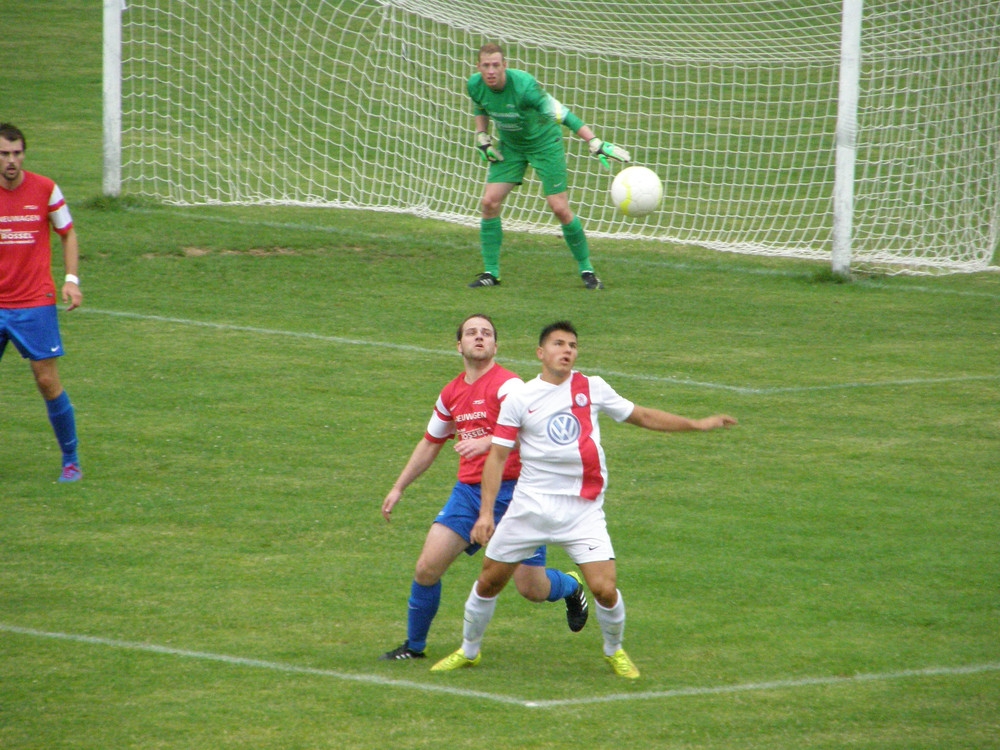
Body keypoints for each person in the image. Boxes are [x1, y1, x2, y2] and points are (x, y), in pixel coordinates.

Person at [431, 321, 738, 678]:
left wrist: (696, 424)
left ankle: (614, 650)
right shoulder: (520, 398)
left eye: (573, 345)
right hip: (530, 507)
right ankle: (469, 651)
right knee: (489, 582)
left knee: (605, 589)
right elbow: (497, 457)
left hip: (582, 509)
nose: (567, 350)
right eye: (559, 344)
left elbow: (642, 416)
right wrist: (486, 514)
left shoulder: (592, 388)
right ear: (541, 353)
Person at [379, 313, 589, 661]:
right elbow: (431, 442)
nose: (479, 337)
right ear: (458, 345)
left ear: (495, 346)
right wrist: (399, 487)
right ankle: (414, 647)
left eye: (487, 333)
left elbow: (532, 430)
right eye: (472, 333)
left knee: (531, 588)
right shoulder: (451, 393)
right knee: (426, 568)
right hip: (469, 493)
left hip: (518, 493)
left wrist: (488, 442)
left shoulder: (510, 387)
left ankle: (571, 586)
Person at [465, 43, 631, 291]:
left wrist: (594, 141)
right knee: (489, 202)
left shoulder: (525, 87)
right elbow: (480, 105)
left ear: (505, 66)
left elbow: (562, 114)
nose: (491, 71)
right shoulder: (474, 85)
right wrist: (482, 136)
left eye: (496, 65)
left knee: (559, 208)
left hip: (545, 144)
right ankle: (491, 273)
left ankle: (587, 271)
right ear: (478, 67)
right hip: (512, 147)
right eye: (486, 66)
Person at [0, 123, 83, 482]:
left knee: (47, 380)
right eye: (4, 153)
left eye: (17, 153)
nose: (11, 160)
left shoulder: (45, 189)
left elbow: (68, 233)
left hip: (35, 301)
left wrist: (71, 280)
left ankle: (71, 459)